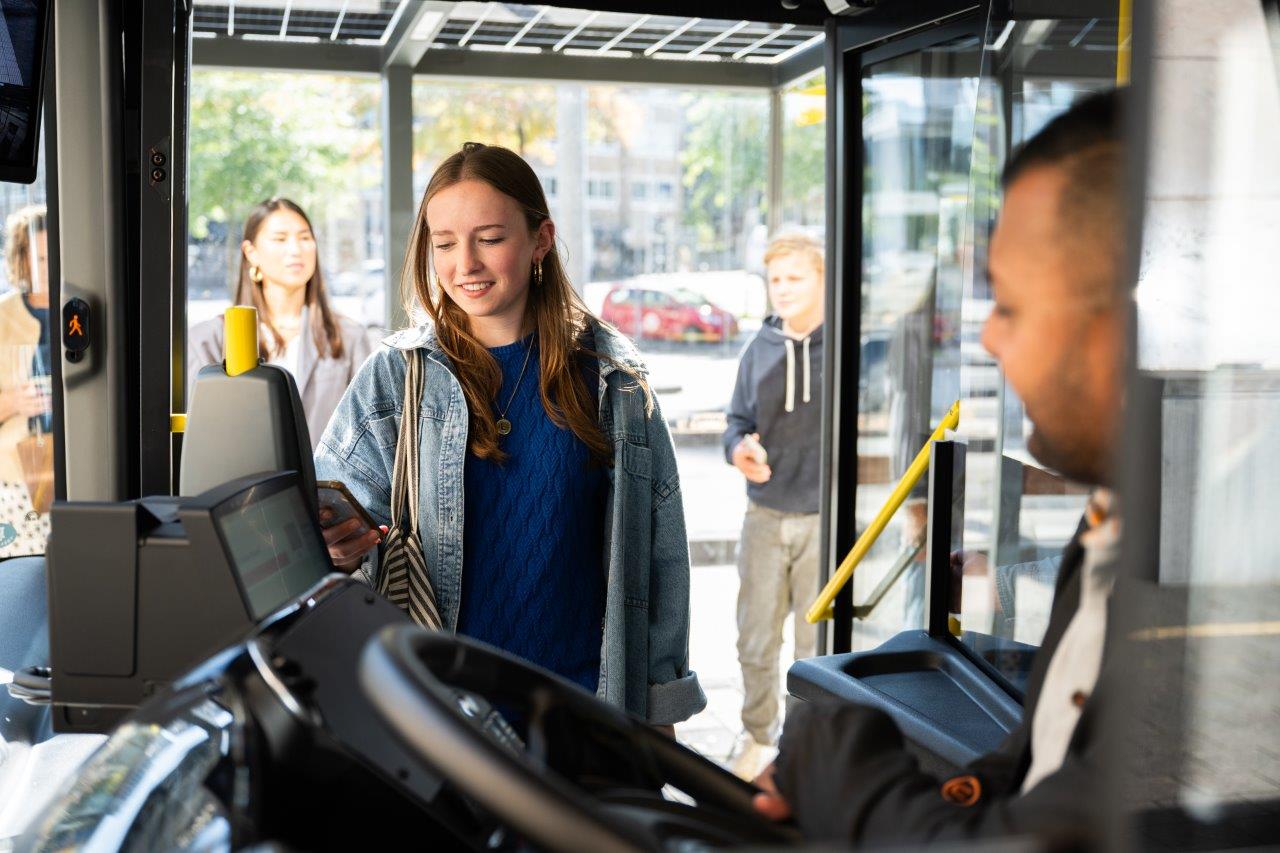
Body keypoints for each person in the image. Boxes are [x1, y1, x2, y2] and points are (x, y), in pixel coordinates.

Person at [753, 89, 1127, 845]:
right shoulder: (1109, 537)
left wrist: (841, 767)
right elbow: (1039, 764)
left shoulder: (1212, 595)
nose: (988, 337)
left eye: (1013, 305)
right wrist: (949, 792)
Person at [314, 142, 705, 730]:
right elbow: (331, 521)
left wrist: (659, 712)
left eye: (490, 238)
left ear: (541, 239)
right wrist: (337, 548)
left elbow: (659, 555)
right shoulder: (396, 377)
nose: (464, 264)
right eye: (443, 244)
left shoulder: (612, 380)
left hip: (582, 718)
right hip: (439, 718)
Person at [722, 232, 825, 776]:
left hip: (824, 520)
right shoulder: (757, 349)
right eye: (775, 280)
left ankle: (806, 747)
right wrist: (739, 450)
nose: (782, 290)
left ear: (823, 281)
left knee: (816, 648)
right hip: (763, 516)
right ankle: (759, 738)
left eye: (795, 278)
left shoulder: (847, 348)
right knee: (756, 639)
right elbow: (735, 424)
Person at [188, 198, 373, 447]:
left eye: (305, 238)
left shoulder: (348, 337)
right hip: (243, 484)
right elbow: (199, 438)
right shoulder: (207, 340)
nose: (296, 249)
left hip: (326, 485)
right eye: (280, 239)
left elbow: (369, 433)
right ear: (250, 252)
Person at [0, 205, 52, 558]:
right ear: (22, 259)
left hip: (79, 472)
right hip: (14, 480)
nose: (51, 268)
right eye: (43, 258)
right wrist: (13, 402)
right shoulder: (2, 317)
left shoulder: (85, 310)